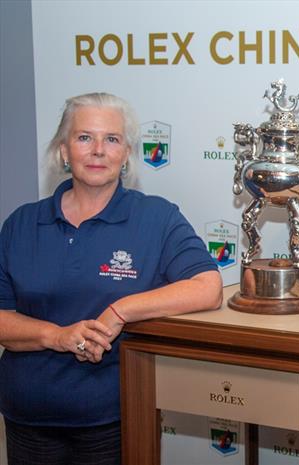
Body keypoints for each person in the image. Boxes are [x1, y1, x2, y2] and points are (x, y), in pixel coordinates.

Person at [0, 92, 223, 465]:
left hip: (116, 418)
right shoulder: (22, 223)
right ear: (63, 151)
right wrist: (56, 336)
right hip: (28, 419)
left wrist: (120, 310)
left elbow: (207, 287)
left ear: (126, 155)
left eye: (112, 139)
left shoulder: (156, 218)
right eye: (84, 137)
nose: (98, 150)